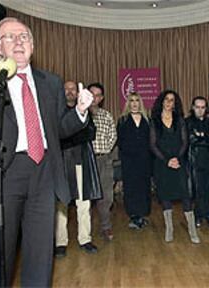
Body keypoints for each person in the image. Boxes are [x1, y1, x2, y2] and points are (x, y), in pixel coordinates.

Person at [0, 17, 93, 286]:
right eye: (11, 36)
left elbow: (57, 130)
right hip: (2, 174)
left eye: (24, 37)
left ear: (33, 45)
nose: (19, 41)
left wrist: (79, 111)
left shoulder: (51, 83)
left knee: (41, 255)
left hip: (43, 173)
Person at [54, 81, 101, 258]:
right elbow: (57, 136)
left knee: (84, 203)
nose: (70, 92)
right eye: (66, 89)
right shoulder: (57, 113)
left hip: (81, 162)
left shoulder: (85, 111)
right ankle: (60, 242)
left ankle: (85, 239)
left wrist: (69, 136)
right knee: (61, 204)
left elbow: (90, 133)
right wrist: (72, 135)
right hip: (62, 164)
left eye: (73, 89)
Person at [150, 89, 200, 244]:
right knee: (165, 195)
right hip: (162, 163)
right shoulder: (154, 121)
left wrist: (176, 159)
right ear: (161, 101)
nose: (168, 102)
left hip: (179, 162)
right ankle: (169, 229)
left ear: (175, 103)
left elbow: (185, 142)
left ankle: (192, 230)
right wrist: (167, 161)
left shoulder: (180, 120)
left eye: (172, 100)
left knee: (185, 195)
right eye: (166, 99)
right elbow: (152, 144)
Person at [117, 92, 151, 229]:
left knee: (143, 188)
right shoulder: (122, 120)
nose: (135, 103)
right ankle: (133, 216)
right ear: (128, 103)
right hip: (129, 161)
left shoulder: (147, 120)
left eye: (137, 100)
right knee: (131, 188)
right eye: (132, 100)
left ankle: (142, 215)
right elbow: (120, 142)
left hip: (145, 161)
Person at [88, 82, 117, 241]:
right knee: (86, 199)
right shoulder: (80, 114)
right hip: (86, 160)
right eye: (92, 94)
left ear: (102, 98)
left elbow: (113, 136)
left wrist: (104, 151)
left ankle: (106, 227)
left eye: (98, 95)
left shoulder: (106, 115)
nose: (94, 98)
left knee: (106, 196)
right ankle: (85, 232)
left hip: (104, 159)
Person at [185, 96, 209, 229]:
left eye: (203, 107)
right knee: (197, 190)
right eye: (197, 107)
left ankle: (208, 215)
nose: (200, 110)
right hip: (194, 159)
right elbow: (190, 140)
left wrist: (201, 137)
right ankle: (199, 215)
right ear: (193, 107)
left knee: (208, 189)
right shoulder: (187, 122)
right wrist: (203, 138)